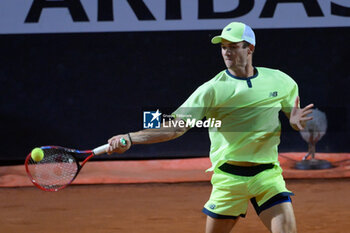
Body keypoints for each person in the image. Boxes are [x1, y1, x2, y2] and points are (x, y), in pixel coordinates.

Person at [106, 22, 314, 233]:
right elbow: (176, 127)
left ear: (250, 48)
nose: (226, 52)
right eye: (223, 47)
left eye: (233, 46)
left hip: (267, 176)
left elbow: (296, 119)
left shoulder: (281, 81)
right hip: (228, 179)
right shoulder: (212, 89)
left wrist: (297, 122)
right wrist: (131, 138)